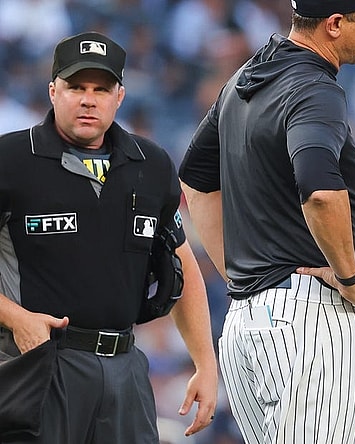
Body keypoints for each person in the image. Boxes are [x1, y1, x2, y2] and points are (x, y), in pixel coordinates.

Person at [177, 0, 355, 442]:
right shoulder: (314, 87)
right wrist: (348, 276)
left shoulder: (244, 80)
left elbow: (194, 181)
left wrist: (241, 274)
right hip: (307, 320)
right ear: (336, 24)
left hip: (245, 322)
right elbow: (320, 192)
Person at [0, 31, 218, 443]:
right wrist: (16, 318)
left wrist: (205, 362)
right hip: (38, 364)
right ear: (52, 91)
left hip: (124, 369)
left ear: (119, 96)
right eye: (76, 87)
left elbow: (181, 259)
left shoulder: (150, 164)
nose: (88, 99)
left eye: (101, 89)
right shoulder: (10, 160)